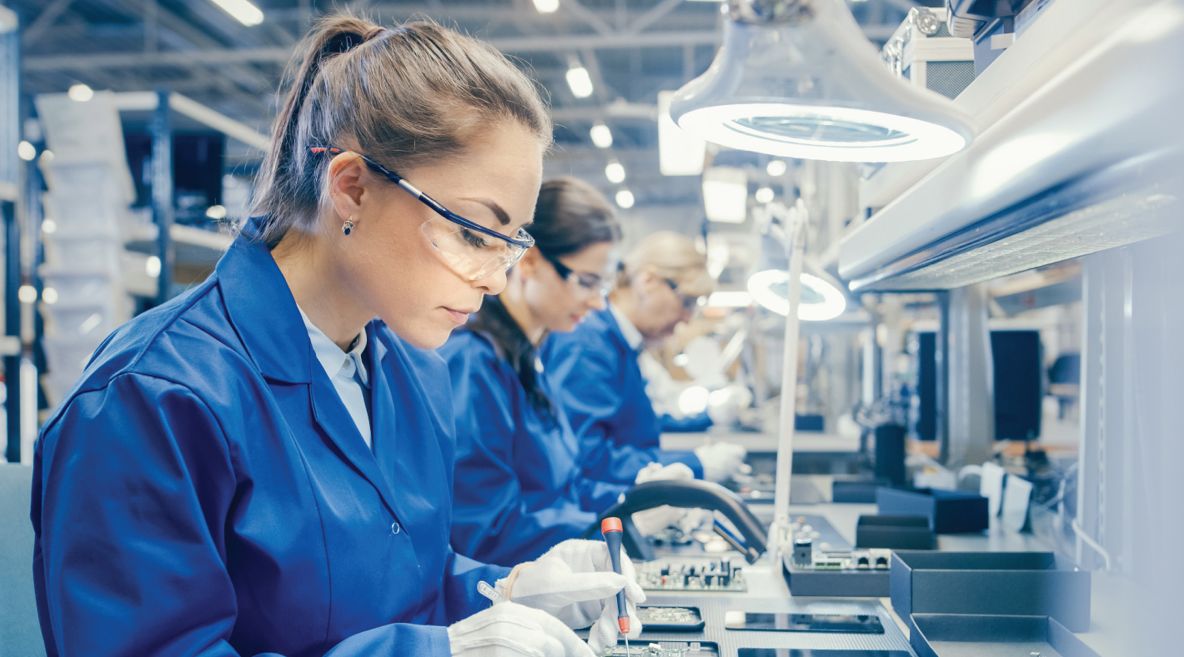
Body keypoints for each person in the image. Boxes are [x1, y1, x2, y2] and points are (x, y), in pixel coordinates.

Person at [30, 15, 641, 657]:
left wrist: (510, 593)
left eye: (509, 243)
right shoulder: (151, 398)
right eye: (472, 233)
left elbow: (408, 586)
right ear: (351, 188)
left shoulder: (411, 374)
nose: (494, 282)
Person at [441, 178, 697, 567]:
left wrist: (633, 501)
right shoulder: (476, 364)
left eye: (604, 285)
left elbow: (565, 488)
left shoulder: (528, 358)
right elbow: (487, 532)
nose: (598, 303)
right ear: (529, 262)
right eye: (587, 283)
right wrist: (620, 527)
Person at [542, 231, 747, 486]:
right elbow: (588, 459)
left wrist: (706, 421)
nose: (687, 317)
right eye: (686, 301)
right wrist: (692, 465)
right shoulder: (588, 345)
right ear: (648, 280)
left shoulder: (619, 344)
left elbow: (632, 426)